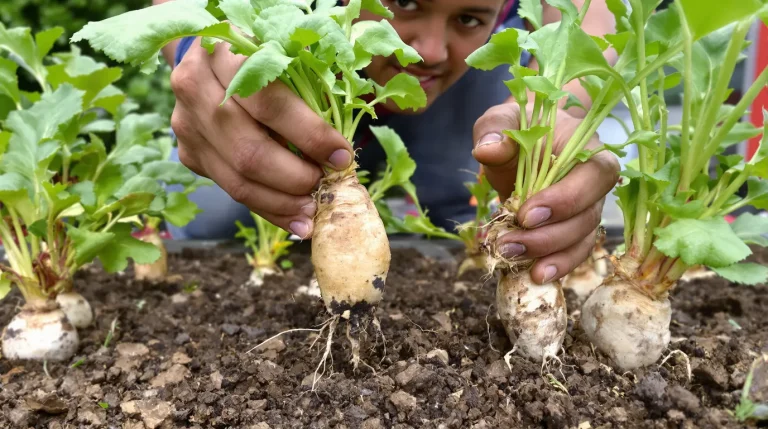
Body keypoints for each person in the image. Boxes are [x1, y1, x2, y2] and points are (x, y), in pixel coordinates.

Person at [156, 0, 620, 285]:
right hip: (303, 64)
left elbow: (587, 15)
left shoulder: (450, 55)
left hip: (469, 83)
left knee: (468, 198)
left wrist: (557, 113)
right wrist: (204, 54)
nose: (432, 50)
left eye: (467, 16)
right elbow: (184, 11)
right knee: (216, 217)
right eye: (405, 1)